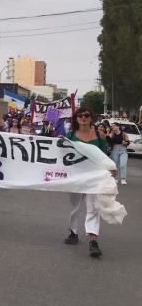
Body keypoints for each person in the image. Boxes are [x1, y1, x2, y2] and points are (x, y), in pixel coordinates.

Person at [63, 107, 118, 257]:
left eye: (86, 115)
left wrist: (110, 169)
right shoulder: (70, 135)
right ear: (76, 118)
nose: (83, 117)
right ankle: (73, 232)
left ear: (91, 117)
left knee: (93, 208)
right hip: (75, 177)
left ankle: (93, 241)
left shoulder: (100, 136)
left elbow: (103, 158)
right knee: (75, 207)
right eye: (80, 115)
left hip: (94, 177)